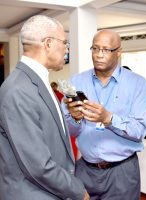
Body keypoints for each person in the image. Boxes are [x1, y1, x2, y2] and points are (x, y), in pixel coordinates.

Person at [0, 15, 89, 200]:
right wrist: (77, 190)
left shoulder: (37, 81)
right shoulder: (18, 89)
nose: (66, 49)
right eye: (64, 43)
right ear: (48, 43)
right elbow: (38, 165)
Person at [62, 29, 146, 200]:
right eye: (95, 48)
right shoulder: (76, 82)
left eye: (106, 50)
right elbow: (67, 131)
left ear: (118, 52)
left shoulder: (137, 83)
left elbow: (139, 131)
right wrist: (75, 118)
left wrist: (108, 119)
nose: (99, 55)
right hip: (85, 170)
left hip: (122, 172)